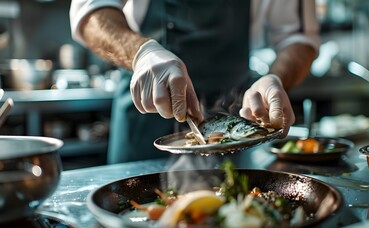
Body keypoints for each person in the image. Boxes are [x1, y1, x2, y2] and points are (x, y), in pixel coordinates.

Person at [69, 0, 320, 164]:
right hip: (144, 113)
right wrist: (142, 54)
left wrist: (274, 79)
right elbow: (91, 12)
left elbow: (298, 38)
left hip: (236, 117)